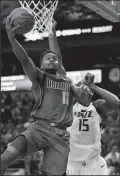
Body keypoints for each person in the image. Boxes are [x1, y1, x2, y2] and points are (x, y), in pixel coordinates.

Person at [1, 16, 94, 176]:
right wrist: (12, 39)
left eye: (54, 59)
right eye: (47, 58)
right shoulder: (40, 76)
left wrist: (52, 32)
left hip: (60, 134)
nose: (52, 58)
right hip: (38, 128)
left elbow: (57, 53)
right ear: (42, 65)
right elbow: (24, 59)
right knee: (6, 157)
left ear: (59, 64)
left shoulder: (66, 79)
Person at [67, 77, 120, 175]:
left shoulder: (96, 105)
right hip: (72, 163)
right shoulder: (68, 106)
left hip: (94, 164)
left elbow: (116, 104)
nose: (85, 90)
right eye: (81, 88)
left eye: (88, 89)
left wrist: (94, 87)